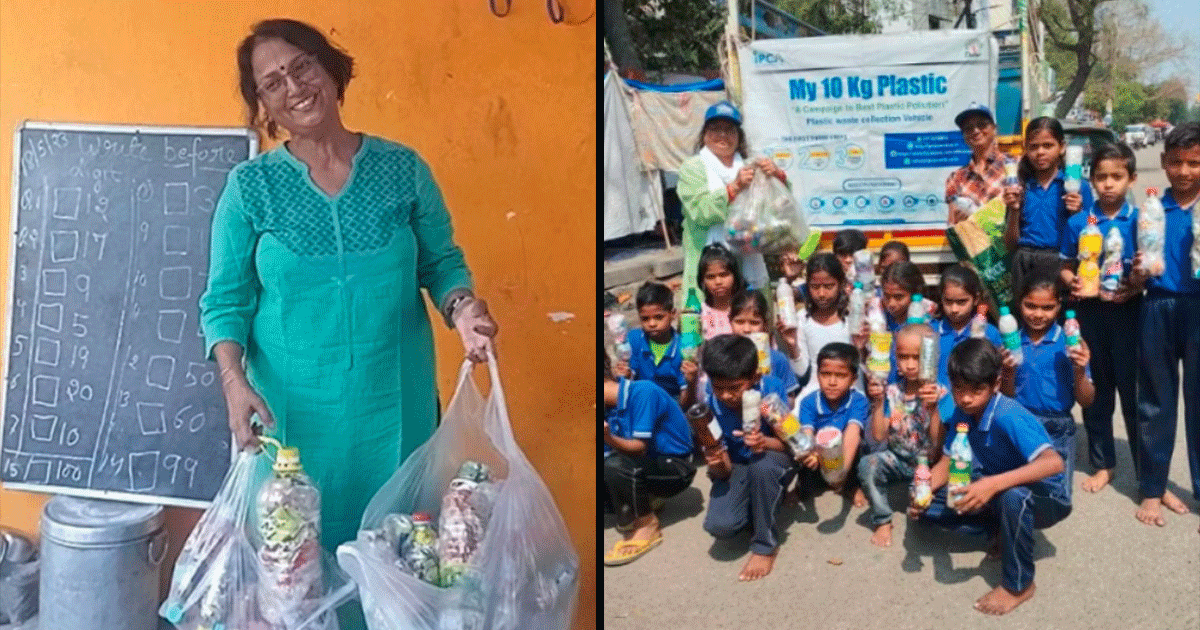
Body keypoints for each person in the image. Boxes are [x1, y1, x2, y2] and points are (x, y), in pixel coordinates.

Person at [201, 20, 499, 628]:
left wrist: (465, 310)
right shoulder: (250, 189)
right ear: (263, 103)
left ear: (331, 68)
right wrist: (233, 381)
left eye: (302, 66)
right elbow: (224, 301)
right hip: (291, 423)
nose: (294, 87)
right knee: (296, 574)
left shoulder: (401, 169)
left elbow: (441, 263)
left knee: (396, 562)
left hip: (394, 412)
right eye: (273, 82)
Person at [909, 339, 1070, 616]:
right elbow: (948, 461)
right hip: (993, 486)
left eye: (976, 390)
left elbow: (1054, 463)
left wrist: (992, 484)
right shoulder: (964, 410)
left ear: (996, 384)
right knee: (927, 504)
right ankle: (999, 530)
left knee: (1013, 497)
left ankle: (1019, 585)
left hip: (1045, 497)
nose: (966, 398)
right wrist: (922, 490)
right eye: (959, 389)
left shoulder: (1008, 416)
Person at [1127, 122, 1200, 527]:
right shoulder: (1152, 211)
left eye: (1195, 163)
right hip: (1157, 305)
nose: (1185, 171)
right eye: (1177, 163)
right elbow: (1136, 271)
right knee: (1155, 400)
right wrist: (1137, 274)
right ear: (1163, 163)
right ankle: (1152, 488)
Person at [1058, 143, 1142, 494]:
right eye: (1101, 177)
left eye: (1116, 177)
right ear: (1090, 181)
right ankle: (1103, 463)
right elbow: (1063, 265)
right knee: (1096, 390)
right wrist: (1072, 281)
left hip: (1128, 313)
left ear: (1131, 179)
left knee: (1135, 395)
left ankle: (1147, 470)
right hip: (1090, 314)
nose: (1109, 184)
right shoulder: (1079, 221)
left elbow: (1148, 267)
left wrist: (1135, 287)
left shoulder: (1139, 219)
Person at [699, 334, 794, 581]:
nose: (727, 396)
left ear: (755, 378)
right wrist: (718, 462)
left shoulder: (768, 394)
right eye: (719, 387)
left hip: (772, 458)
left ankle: (765, 545)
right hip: (738, 463)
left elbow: (791, 444)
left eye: (735, 388)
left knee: (762, 466)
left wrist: (765, 442)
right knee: (721, 525)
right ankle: (760, 502)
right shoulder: (711, 404)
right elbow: (724, 471)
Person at [1000, 274, 1094, 502]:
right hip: (1020, 421)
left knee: (1057, 498)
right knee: (1016, 490)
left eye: (1047, 307)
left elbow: (1087, 400)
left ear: (1059, 306)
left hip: (1058, 427)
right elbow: (1006, 397)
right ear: (1019, 303)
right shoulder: (1010, 343)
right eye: (1030, 306)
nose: (1038, 314)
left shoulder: (1070, 342)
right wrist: (1008, 373)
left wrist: (1080, 370)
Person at [677, 101, 787, 293]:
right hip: (709, 266)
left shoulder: (750, 165)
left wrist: (777, 176)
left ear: (739, 137)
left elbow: (778, 207)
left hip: (748, 259)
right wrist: (734, 188)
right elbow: (700, 212)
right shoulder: (692, 168)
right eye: (715, 129)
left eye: (729, 130)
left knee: (750, 317)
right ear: (704, 135)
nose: (722, 135)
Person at [859, 323, 953, 547]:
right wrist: (879, 400)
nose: (910, 365)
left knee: (922, 510)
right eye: (903, 357)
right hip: (897, 458)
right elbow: (880, 435)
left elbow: (937, 446)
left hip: (926, 465)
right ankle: (882, 519)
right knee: (867, 464)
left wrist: (933, 409)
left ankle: (915, 495)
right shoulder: (892, 391)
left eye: (917, 357)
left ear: (932, 357)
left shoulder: (942, 394)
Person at [602, 355, 697, 566]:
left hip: (676, 468)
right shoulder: (607, 407)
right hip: (645, 463)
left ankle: (647, 525)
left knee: (614, 466)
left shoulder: (643, 392)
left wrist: (607, 438)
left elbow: (639, 449)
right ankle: (643, 500)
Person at [1002, 117, 1092, 305]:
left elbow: (1090, 241)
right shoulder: (1021, 188)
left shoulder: (1077, 188)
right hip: (1025, 264)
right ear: (1026, 149)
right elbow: (1010, 244)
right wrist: (1014, 210)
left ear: (1062, 147)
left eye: (1048, 145)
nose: (1040, 152)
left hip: (1061, 266)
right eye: (1034, 146)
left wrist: (1077, 214)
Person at [794, 343, 870, 503]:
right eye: (825, 374)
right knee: (798, 449)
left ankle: (850, 486)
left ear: (853, 379)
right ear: (818, 375)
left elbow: (852, 434)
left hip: (845, 453)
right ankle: (801, 487)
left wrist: (841, 474)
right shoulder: (808, 402)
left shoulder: (858, 401)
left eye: (841, 375)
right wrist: (811, 454)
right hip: (818, 454)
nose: (832, 382)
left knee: (861, 448)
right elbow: (807, 434)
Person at [795, 253, 864, 400]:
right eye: (814, 287)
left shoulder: (855, 315)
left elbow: (864, 367)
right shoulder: (802, 319)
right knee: (789, 423)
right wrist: (791, 345)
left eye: (828, 286)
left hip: (851, 392)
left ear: (841, 284)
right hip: (814, 392)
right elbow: (801, 372)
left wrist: (862, 348)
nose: (821, 294)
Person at [616, 281, 689, 404]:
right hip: (642, 398)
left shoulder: (682, 348)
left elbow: (684, 390)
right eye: (645, 319)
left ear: (673, 314)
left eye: (659, 317)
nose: (652, 324)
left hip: (671, 401)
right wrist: (626, 373)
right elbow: (632, 373)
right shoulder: (634, 339)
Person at [931, 265, 1003, 384]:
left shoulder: (989, 333)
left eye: (961, 302)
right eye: (948, 301)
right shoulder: (931, 332)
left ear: (976, 299)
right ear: (941, 298)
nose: (954, 309)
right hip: (938, 401)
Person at [728, 291, 805, 401]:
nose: (746, 329)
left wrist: (771, 408)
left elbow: (790, 397)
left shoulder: (777, 359)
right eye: (739, 322)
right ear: (730, 321)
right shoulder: (723, 356)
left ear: (764, 324)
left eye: (754, 323)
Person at [945, 104, 1007, 225]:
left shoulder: (1015, 165)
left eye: (982, 124)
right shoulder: (956, 178)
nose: (976, 130)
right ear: (964, 136)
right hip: (974, 241)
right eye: (968, 128)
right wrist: (960, 221)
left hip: (1010, 242)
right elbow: (952, 223)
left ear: (994, 128)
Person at [697, 243, 746, 340]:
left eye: (724, 275)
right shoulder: (699, 315)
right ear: (702, 281)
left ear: (735, 276)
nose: (718, 282)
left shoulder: (747, 310)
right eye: (710, 277)